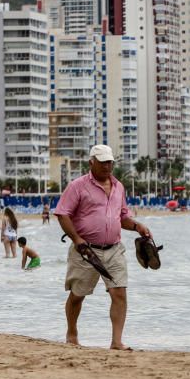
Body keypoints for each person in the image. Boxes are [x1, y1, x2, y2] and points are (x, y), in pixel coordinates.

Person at [55, 144, 153, 350]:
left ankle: (116, 341)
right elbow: (62, 213)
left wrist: (137, 226)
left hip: (114, 249)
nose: (107, 166)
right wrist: (76, 239)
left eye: (110, 162)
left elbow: (123, 217)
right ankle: (72, 332)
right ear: (92, 162)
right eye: (103, 162)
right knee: (77, 294)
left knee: (119, 293)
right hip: (86, 250)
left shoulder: (119, 187)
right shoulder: (77, 186)